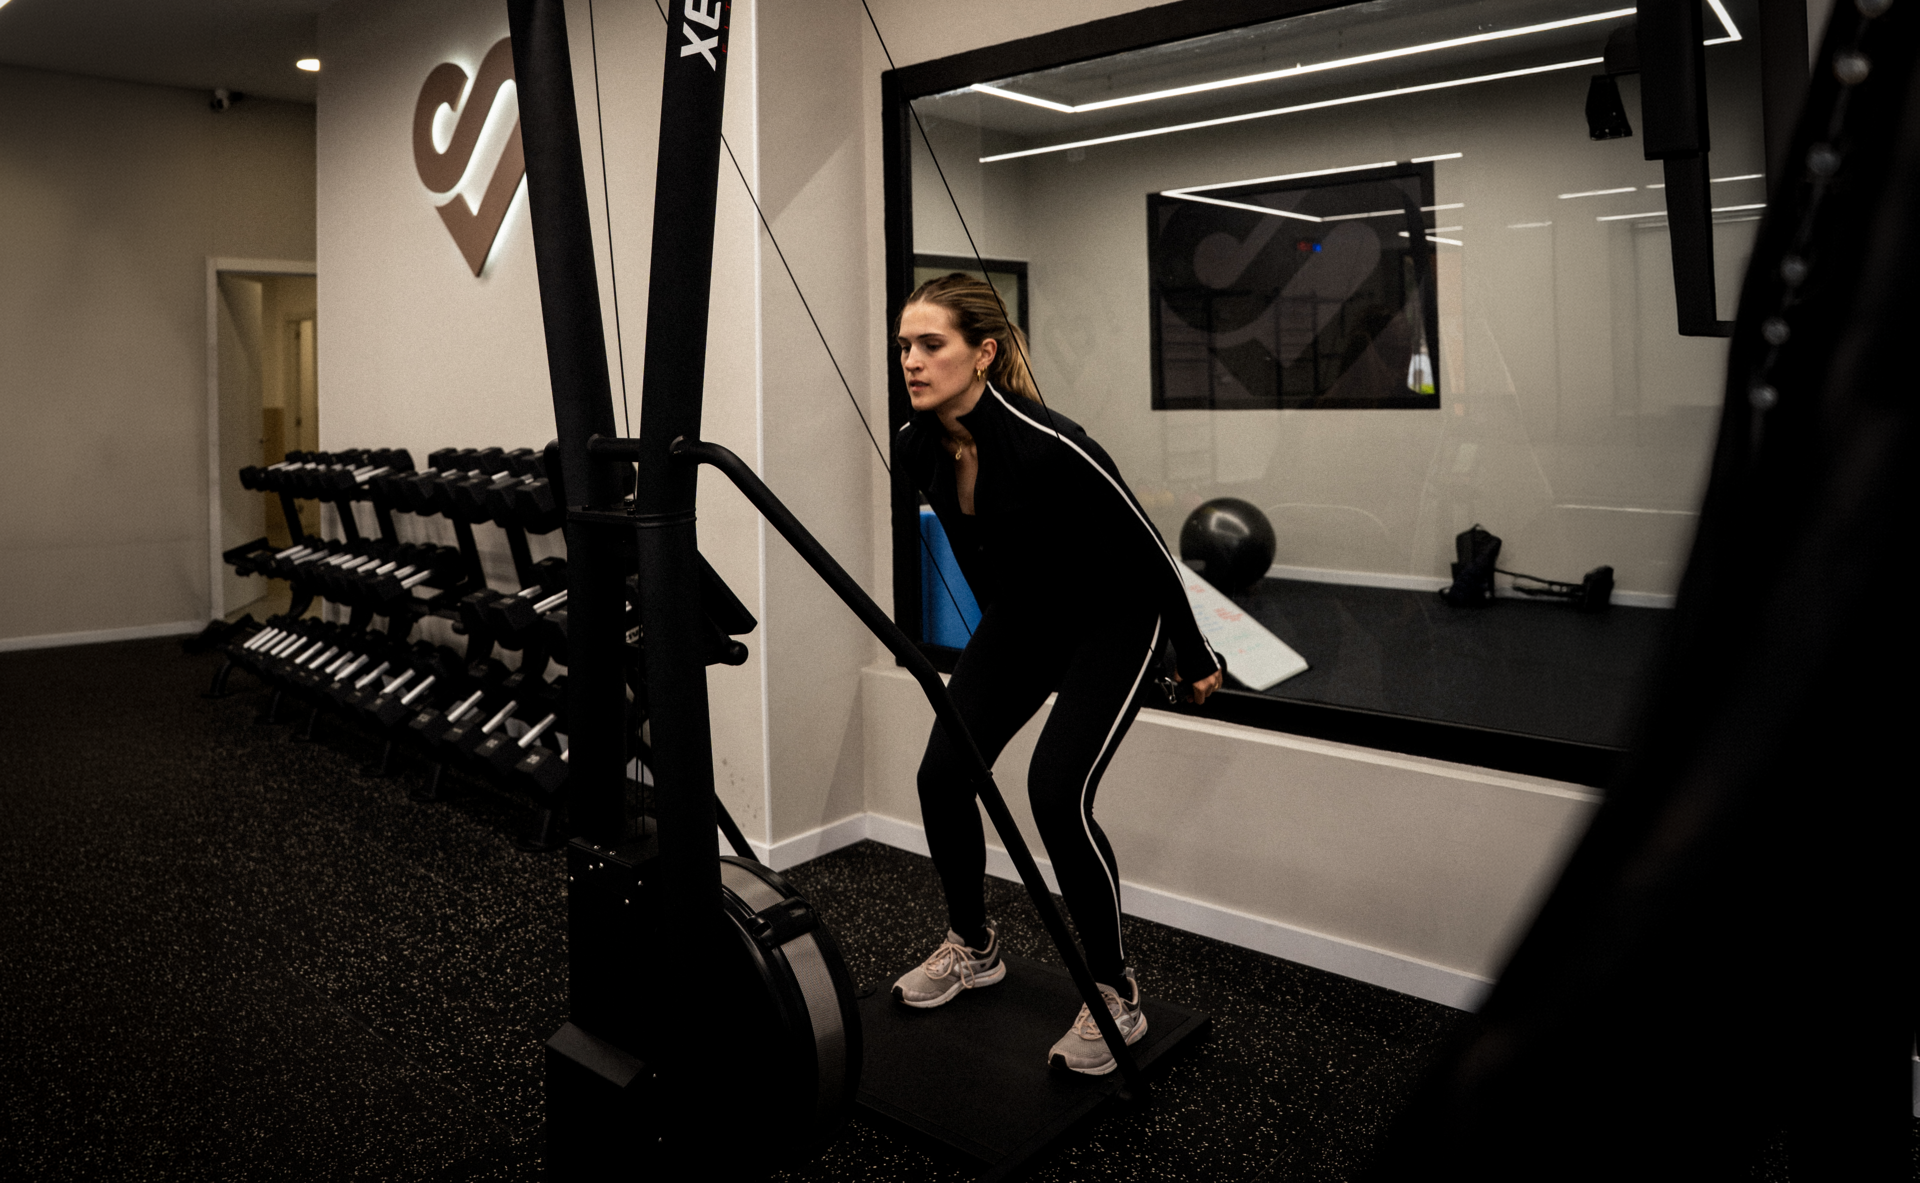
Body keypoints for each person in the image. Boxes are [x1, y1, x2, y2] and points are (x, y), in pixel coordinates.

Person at [889, 273, 1223, 1075]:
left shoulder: (1050, 441)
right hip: (1028, 617)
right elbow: (979, 561)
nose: (911, 359)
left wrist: (1198, 654)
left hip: (1115, 618)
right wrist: (994, 644)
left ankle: (1116, 992)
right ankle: (974, 946)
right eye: (904, 345)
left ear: (984, 353)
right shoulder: (916, 444)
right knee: (942, 775)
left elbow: (1149, 546)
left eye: (931, 343)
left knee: (1054, 793)